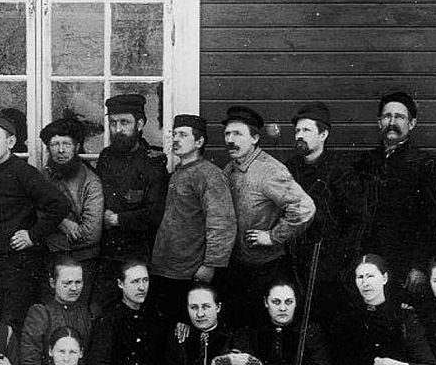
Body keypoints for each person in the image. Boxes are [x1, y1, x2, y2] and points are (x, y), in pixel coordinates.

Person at [221, 104, 315, 328]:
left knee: (264, 325)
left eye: (237, 134)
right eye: (227, 134)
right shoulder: (230, 169)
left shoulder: (270, 170)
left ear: (254, 138)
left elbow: (304, 208)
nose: (230, 140)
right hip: (238, 265)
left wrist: (273, 236)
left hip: (267, 268)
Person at [0, 113, 70, 332]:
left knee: (12, 323)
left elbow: (59, 205)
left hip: (18, 264)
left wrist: (32, 235)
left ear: (10, 142)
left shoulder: (23, 172)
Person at [356, 91, 436, 299]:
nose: (392, 122)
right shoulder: (365, 162)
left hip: (407, 266)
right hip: (372, 263)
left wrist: (420, 266)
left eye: (400, 117)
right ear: (379, 122)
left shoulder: (426, 165)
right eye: (387, 116)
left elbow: (434, 223)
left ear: (412, 124)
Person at [149, 114, 235, 324]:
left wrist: (211, 264)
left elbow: (222, 223)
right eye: (174, 134)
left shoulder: (209, 175)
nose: (176, 139)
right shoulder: (178, 173)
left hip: (190, 272)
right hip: (167, 268)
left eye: (183, 135)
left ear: (199, 142)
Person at [286, 102, 365, 324]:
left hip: (330, 265)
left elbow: (356, 220)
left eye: (307, 130)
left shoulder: (340, 170)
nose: (300, 136)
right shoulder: (289, 169)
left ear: (323, 135)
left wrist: (339, 260)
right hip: (296, 261)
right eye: (297, 131)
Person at [93, 94, 167, 312]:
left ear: (140, 124)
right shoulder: (106, 157)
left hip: (138, 252)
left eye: (124, 122)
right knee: (103, 310)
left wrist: (118, 219)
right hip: (107, 252)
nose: (118, 129)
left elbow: (155, 213)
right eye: (113, 123)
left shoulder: (153, 162)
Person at [39, 117, 104, 310]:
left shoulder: (91, 182)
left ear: (76, 147)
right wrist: (61, 222)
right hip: (49, 260)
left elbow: (90, 234)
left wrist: (49, 230)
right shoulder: (42, 177)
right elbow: (32, 213)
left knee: (78, 315)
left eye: (66, 144)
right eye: (55, 144)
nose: (60, 150)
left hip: (81, 262)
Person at [90, 259, 168, 365]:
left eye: (145, 280)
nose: (142, 287)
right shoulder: (109, 318)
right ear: (121, 284)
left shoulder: (154, 314)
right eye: (135, 282)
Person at [19, 257, 93, 365]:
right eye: (67, 283)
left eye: (78, 282)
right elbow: (30, 361)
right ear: (52, 283)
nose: (74, 288)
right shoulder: (41, 313)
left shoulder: (85, 313)